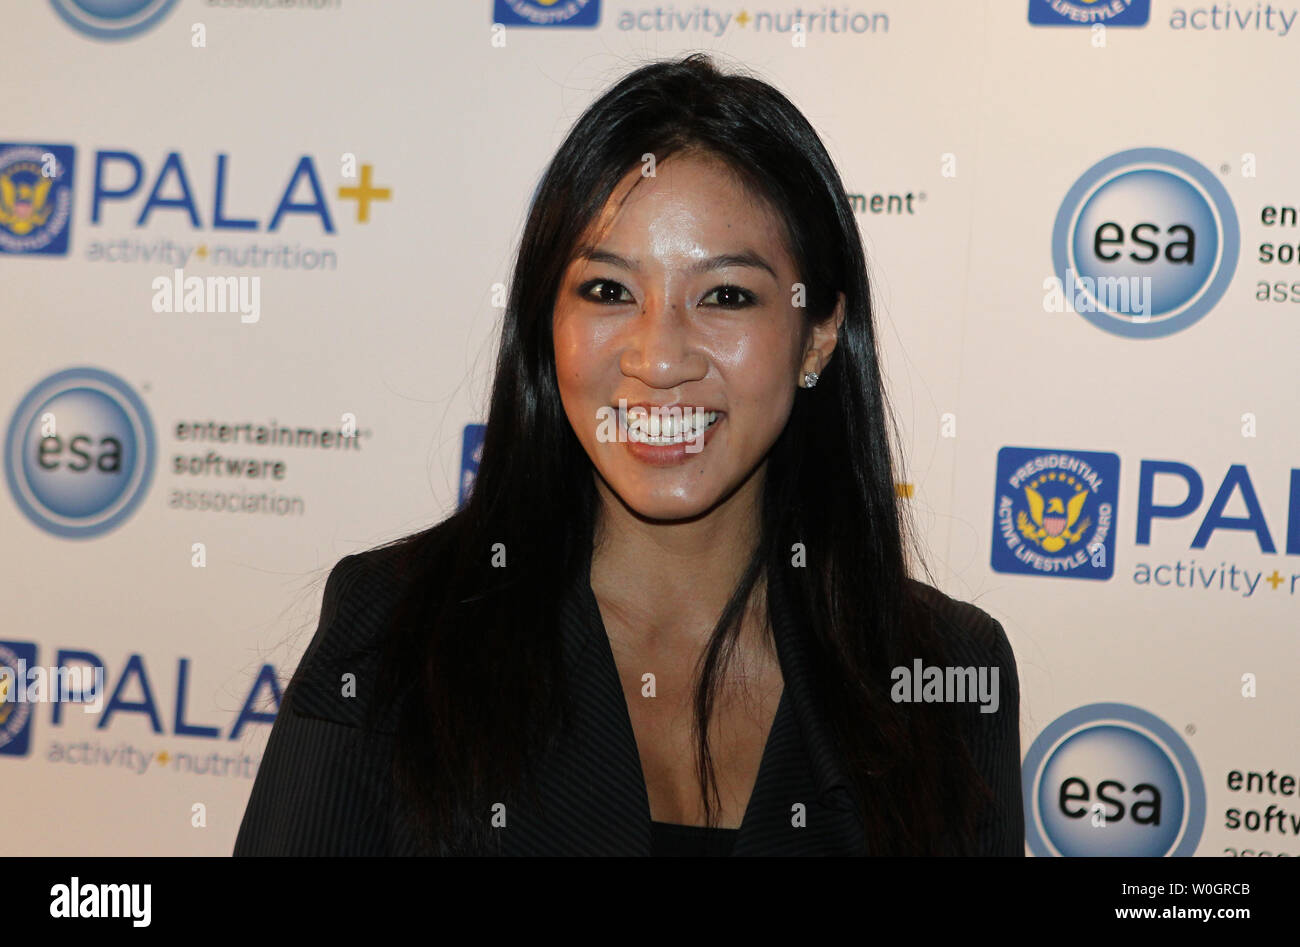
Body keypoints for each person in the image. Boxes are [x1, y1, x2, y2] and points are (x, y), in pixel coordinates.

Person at [234, 52, 1023, 857]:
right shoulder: (396, 634)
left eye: (725, 295)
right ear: (548, 326)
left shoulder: (946, 674)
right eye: (609, 291)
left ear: (817, 335)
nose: (658, 356)